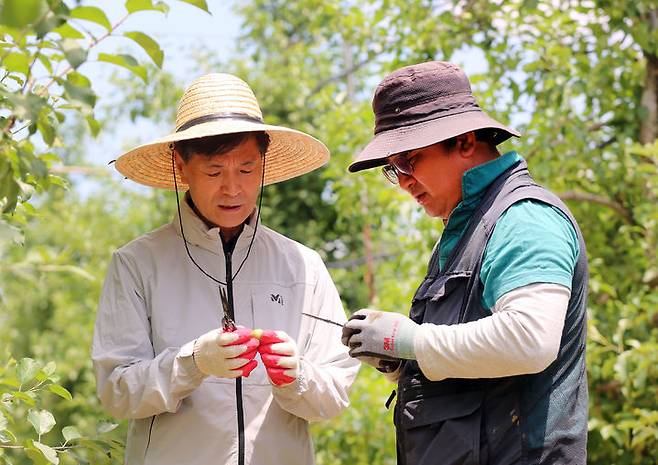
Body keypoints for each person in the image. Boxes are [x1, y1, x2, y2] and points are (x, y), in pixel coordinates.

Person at [92, 73, 359, 465]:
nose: (233, 189)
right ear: (182, 167)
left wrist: (295, 375)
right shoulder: (138, 264)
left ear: (264, 165)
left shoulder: (302, 265)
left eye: (247, 170)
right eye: (215, 172)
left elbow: (335, 394)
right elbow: (117, 391)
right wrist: (193, 362)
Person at [342, 61, 588, 465]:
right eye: (392, 168)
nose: (402, 179)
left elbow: (530, 340)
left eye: (410, 159)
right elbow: (470, 377)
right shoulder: (466, 229)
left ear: (466, 141)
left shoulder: (523, 218)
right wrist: (400, 362)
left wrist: (411, 341)